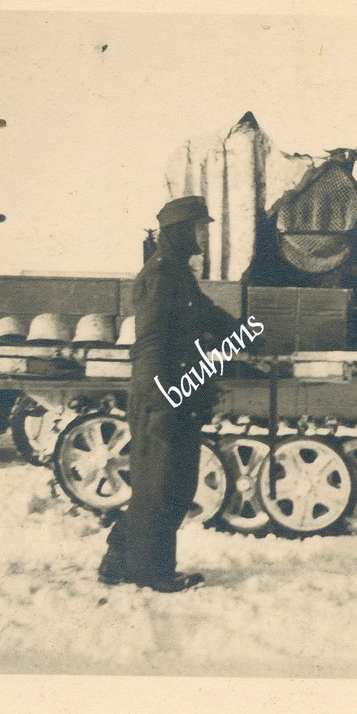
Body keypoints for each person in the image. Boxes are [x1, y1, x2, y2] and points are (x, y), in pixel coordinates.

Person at [99, 196, 241, 593]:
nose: (205, 234)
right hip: (163, 392)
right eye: (201, 227)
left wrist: (241, 329)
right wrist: (163, 401)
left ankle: (118, 561)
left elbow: (203, 313)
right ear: (182, 231)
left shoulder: (177, 274)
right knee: (164, 485)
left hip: (176, 390)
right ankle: (152, 571)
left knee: (158, 483)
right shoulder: (161, 276)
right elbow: (152, 342)